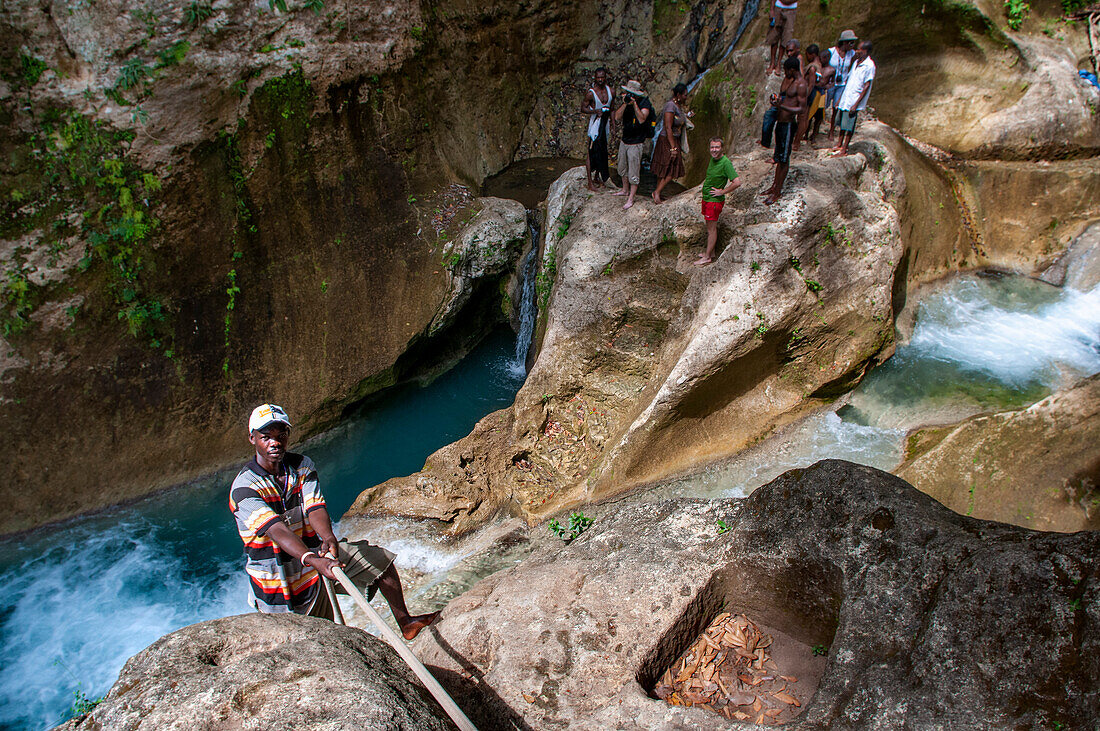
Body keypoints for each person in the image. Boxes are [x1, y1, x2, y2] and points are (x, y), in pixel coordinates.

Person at [230, 403, 440, 639]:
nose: (275, 442)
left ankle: (406, 622)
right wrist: (312, 559)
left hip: (314, 569)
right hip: (278, 588)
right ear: (252, 438)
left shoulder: (301, 465)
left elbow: (315, 507)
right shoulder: (244, 489)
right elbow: (277, 530)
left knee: (379, 561)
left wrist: (328, 538)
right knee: (321, 641)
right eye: (266, 437)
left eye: (281, 435)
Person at [761, 56, 807, 205]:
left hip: (788, 125)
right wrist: (777, 102)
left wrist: (782, 107)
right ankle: (774, 186)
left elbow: (801, 108)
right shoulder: (791, 82)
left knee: (784, 158)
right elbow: (785, 99)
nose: (785, 73)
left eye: (787, 70)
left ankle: (778, 191)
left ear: (792, 70)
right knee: (779, 156)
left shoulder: (801, 85)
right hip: (780, 123)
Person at [697, 137, 742, 266]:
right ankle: (710, 252)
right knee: (709, 226)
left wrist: (722, 192)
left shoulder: (725, 163)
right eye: (712, 147)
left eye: (717, 147)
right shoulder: (713, 159)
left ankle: (707, 257)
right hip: (707, 198)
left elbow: (737, 182)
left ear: (722, 148)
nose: (714, 150)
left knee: (712, 229)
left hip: (714, 201)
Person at [611, 79, 654, 210]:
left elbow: (642, 119)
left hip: (637, 142)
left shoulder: (644, 103)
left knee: (633, 172)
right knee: (622, 167)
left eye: (632, 94)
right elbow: (617, 117)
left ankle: (631, 198)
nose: (630, 95)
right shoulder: (626, 102)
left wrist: (635, 104)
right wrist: (625, 104)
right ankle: (625, 190)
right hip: (625, 140)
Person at [831, 40, 876, 157]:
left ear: (866, 51)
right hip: (847, 96)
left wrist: (856, 104)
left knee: (849, 125)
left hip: (854, 99)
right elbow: (848, 81)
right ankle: (839, 144)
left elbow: (866, 86)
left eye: (860, 49)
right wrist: (840, 98)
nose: (857, 51)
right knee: (841, 122)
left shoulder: (869, 66)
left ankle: (844, 149)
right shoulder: (856, 62)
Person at [652, 83, 692, 204]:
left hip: (674, 140)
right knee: (672, 170)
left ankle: (658, 193)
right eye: (685, 95)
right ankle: (657, 192)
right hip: (667, 141)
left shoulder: (678, 106)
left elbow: (678, 122)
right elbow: (668, 127)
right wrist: (673, 148)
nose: (686, 97)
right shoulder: (670, 106)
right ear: (678, 94)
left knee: (667, 168)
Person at [581, 67, 614, 192]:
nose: (600, 80)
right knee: (591, 152)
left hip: (605, 124)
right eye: (598, 77)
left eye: (602, 77)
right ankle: (590, 182)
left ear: (605, 78)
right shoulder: (591, 93)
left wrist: (613, 126)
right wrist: (594, 111)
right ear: (595, 78)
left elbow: (612, 108)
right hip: (595, 125)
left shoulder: (611, 91)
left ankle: (597, 177)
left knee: (602, 151)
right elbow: (583, 108)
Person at [826, 30, 858, 141]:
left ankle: (831, 130)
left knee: (836, 108)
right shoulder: (831, 52)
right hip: (830, 84)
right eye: (850, 43)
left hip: (842, 84)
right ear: (844, 42)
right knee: (823, 106)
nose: (852, 45)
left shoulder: (852, 54)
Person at [793, 43, 821, 152]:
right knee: (804, 118)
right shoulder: (818, 65)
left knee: (803, 118)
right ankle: (798, 140)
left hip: (809, 93)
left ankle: (797, 142)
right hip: (813, 93)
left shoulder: (813, 67)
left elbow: (811, 83)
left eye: (807, 55)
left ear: (812, 54)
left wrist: (805, 96)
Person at [765, 1, 799, 76]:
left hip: (791, 10)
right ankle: (772, 62)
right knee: (774, 35)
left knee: (786, 37)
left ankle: (779, 64)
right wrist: (772, 9)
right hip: (778, 8)